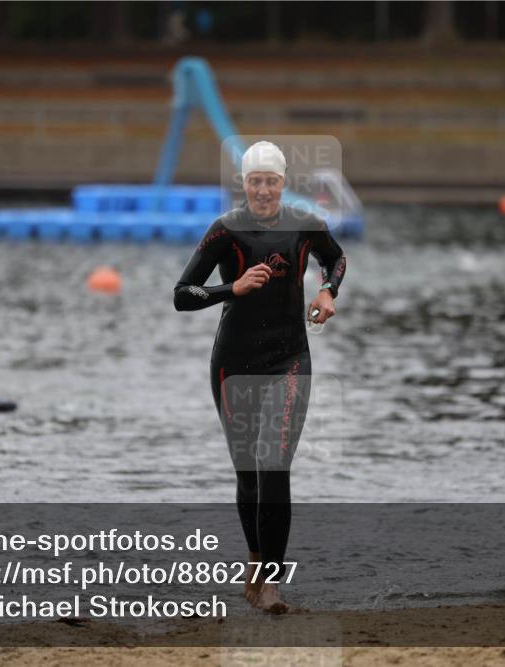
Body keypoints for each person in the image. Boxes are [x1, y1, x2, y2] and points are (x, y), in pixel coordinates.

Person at [174, 141, 346, 614]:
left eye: (271, 180)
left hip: (289, 358)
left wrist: (328, 292)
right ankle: (254, 559)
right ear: (244, 184)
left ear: (283, 181)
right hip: (234, 362)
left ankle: (271, 582)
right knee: (249, 473)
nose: (264, 189)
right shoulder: (226, 230)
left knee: (275, 466)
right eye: (255, 181)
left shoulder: (305, 223)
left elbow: (336, 258)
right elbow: (182, 294)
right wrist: (233, 287)